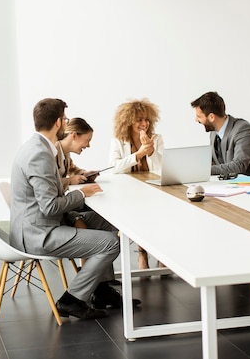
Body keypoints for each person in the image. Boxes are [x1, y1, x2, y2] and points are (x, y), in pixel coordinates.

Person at [9, 98, 138, 320]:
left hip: (43, 224)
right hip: (39, 234)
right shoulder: (40, 154)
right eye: (65, 119)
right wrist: (82, 194)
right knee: (111, 243)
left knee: (111, 224)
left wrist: (75, 197)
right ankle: (72, 299)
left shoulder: (39, 147)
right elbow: (50, 207)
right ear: (59, 122)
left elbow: (53, 195)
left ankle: (102, 289)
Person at [109, 98, 164, 270]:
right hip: (128, 191)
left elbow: (162, 167)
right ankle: (142, 254)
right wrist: (139, 154)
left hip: (152, 188)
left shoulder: (157, 138)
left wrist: (152, 151)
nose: (144, 123)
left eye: (147, 119)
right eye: (139, 119)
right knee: (140, 215)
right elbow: (114, 167)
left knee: (161, 213)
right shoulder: (118, 141)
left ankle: (161, 253)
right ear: (128, 121)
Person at [190, 91, 250, 177]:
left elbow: (239, 166)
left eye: (199, 116)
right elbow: (214, 162)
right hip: (229, 186)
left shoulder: (243, 130)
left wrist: (204, 170)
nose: (196, 120)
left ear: (211, 117)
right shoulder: (213, 133)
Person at [56, 117, 98, 193]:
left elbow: (72, 169)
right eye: (87, 140)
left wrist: (85, 174)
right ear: (74, 135)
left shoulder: (65, 152)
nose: (88, 145)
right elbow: (46, 184)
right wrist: (69, 181)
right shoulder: (52, 152)